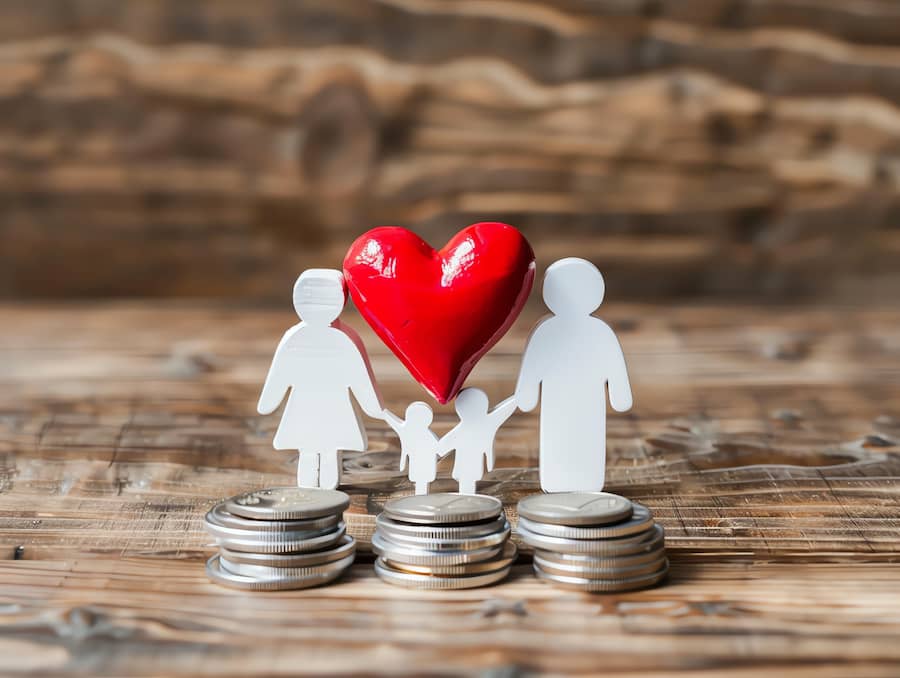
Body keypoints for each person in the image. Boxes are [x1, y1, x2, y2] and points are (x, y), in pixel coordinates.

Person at [257, 269, 384, 489]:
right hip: (315, 404)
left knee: (326, 448)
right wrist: (373, 407)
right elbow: (280, 373)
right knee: (311, 447)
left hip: (322, 404)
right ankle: (313, 488)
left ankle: (325, 488)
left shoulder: (341, 340)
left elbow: (359, 377)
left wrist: (374, 407)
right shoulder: (299, 339)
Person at [514, 258, 632, 493]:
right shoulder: (598, 331)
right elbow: (615, 369)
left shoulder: (551, 331)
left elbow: (532, 368)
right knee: (569, 439)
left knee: (579, 439)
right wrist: (620, 395)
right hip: (569, 401)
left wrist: (526, 395)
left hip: (577, 400)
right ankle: (566, 479)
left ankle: (575, 480)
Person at [438, 388, 517, 495]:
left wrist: (518, 399)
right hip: (468, 465)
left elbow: (441, 448)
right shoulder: (484, 424)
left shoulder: (479, 425)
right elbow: (441, 448)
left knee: (468, 479)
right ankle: (466, 499)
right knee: (467, 480)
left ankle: (467, 499)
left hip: (469, 465)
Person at [383, 402, 442, 495]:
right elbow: (440, 450)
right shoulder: (410, 430)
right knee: (420, 482)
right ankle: (420, 498)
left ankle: (421, 498)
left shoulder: (424, 434)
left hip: (424, 465)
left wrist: (384, 413)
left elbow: (439, 450)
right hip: (419, 465)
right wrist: (384, 413)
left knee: (421, 482)